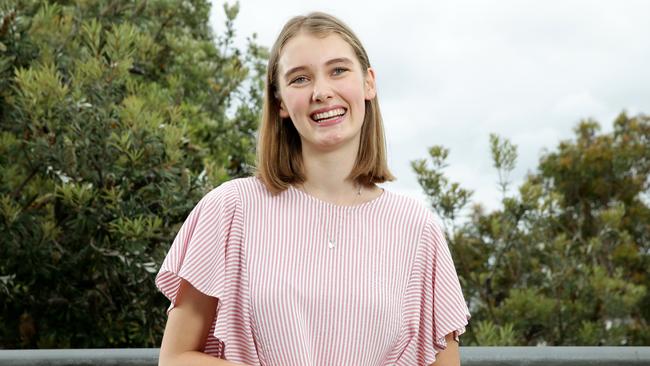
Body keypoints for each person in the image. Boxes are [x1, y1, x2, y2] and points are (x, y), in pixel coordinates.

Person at [156, 12, 470, 366]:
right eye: (300, 78)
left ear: (369, 83)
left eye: (338, 70)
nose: (321, 92)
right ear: (280, 104)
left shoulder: (418, 228)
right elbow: (176, 358)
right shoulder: (231, 209)